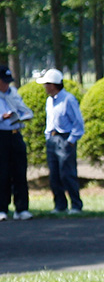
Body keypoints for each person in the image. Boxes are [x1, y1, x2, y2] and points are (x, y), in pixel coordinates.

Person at [39, 68, 84, 215]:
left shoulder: (68, 99)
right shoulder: (49, 101)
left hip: (65, 138)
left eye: (46, 84)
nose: (45, 87)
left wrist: (70, 141)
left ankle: (76, 205)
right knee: (54, 175)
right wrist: (48, 137)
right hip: (52, 139)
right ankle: (60, 205)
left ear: (53, 84)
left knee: (67, 174)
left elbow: (78, 123)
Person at [0, 66, 34, 221]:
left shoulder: (13, 93)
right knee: (3, 173)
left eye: (8, 82)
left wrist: (24, 115)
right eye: (3, 82)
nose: (6, 85)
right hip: (2, 135)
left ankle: (21, 208)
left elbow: (23, 108)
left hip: (15, 134)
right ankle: (2, 208)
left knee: (20, 171)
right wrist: (3, 117)